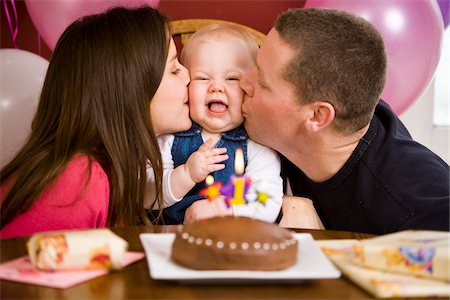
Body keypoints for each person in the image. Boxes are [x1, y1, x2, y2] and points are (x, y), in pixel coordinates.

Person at [240, 8, 449, 234]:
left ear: (317, 116)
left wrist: (321, 242)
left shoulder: (421, 213)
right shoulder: (277, 126)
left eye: (262, 82)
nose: (243, 81)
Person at [0, 6, 191, 239]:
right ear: (130, 91)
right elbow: (20, 268)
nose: (189, 75)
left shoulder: (114, 170)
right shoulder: (77, 180)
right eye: (174, 69)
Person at [146, 24, 283, 225]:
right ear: (186, 83)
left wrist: (224, 208)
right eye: (202, 78)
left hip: (229, 242)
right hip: (167, 239)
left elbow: (267, 200)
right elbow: (147, 194)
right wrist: (185, 175)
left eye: (232, 78)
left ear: (249, 86)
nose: (216, 87)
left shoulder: (256, 146)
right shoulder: (169, 137)